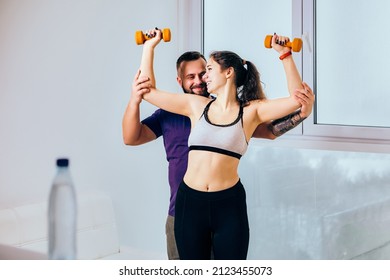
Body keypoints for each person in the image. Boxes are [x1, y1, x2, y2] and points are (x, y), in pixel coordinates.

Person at [123, 29, 314, 259]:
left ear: (229, 73)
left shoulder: (251, 111)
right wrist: (149, 47)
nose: (203, 78)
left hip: (228, 205)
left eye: (208, 70)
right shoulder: (195, 105)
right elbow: (148, 91)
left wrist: (285, 55)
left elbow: (297, 99)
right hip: (189, 203)